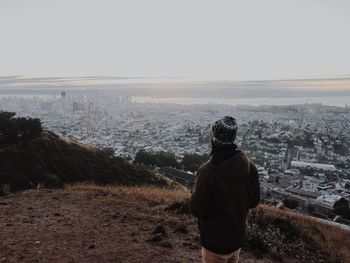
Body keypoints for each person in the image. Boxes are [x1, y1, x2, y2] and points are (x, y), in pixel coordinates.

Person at [189, 116, 260, 263]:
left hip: (214, 243)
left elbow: (197, 209)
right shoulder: (249, 167)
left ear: (213, 138)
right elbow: (254, 201)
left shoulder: (207, 172)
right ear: (233, 138)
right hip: (236, 239)